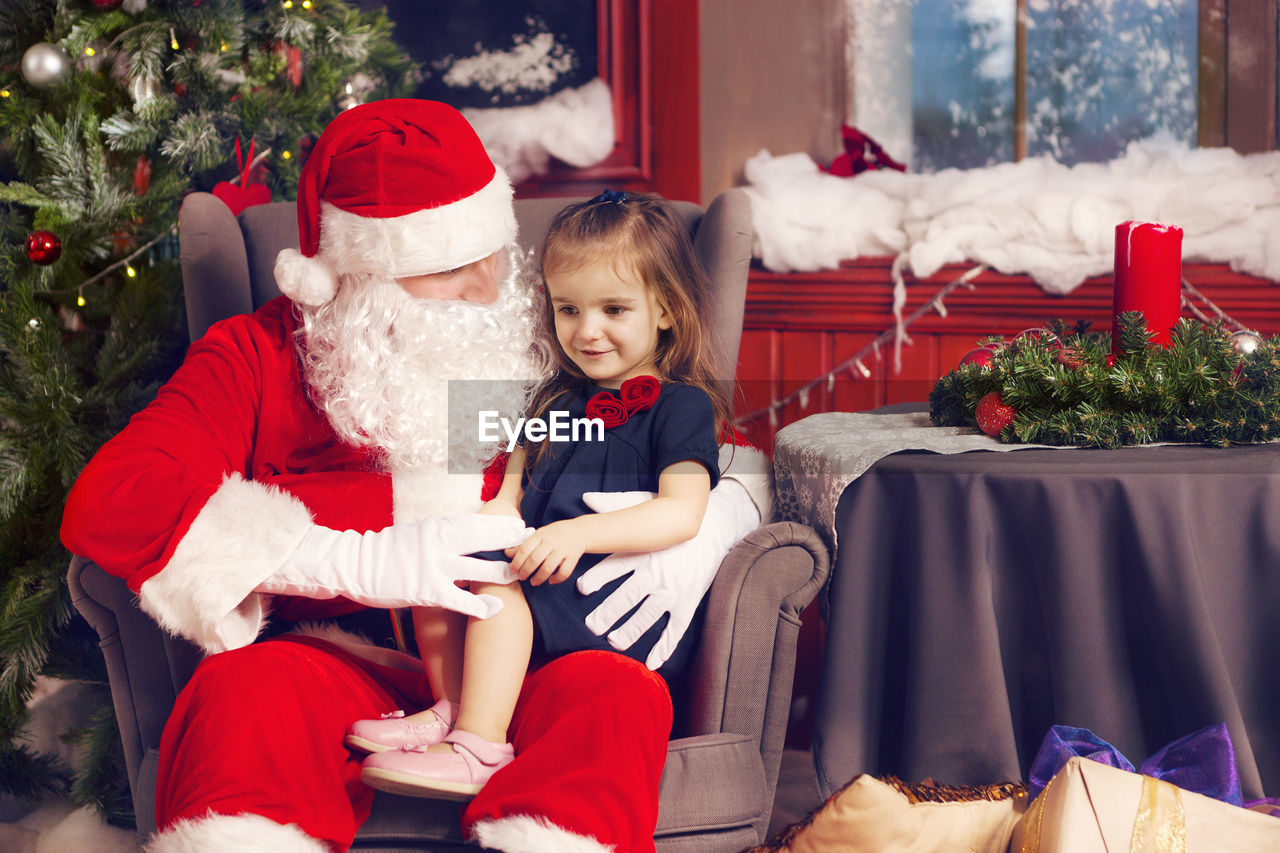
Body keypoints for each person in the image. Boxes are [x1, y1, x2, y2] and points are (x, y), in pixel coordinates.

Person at [59, 99, 769, 853]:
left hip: (521, 659)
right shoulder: (259, 359)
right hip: (341, 658)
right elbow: (117, 498)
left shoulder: (535, 338)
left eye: (491, 250)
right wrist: (359, 559)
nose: (486, 285)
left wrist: (721, 515)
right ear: (357, 277)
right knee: (241, 696)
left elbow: (696, 432)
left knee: (615, 693)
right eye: (445, 265)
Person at [346, 191, 732, 799]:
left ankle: (478, 747)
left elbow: (682, 512)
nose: (588, 330)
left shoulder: (680, 406)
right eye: (569, 309)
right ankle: (453, 705)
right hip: (541, 573)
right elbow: (511, 487)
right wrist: (488, 523)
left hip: (606, 599)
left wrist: (576, 534)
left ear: (664, 311)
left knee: (497, 586)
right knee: (443, 570)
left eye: (613, 309)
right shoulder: (552, 397)